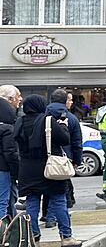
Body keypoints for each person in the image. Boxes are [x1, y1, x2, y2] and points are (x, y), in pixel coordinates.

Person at [14, 95, 81, 246]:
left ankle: (33, 237)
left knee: (32, 203)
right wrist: (63, 125)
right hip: (49, 167)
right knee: (58, 201)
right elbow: (65, 139)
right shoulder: (48, 120)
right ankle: (67, 237)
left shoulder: (20, 122)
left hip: (27, 169)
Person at [43, 89, 83, 228]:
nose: (71, 103)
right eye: (70, 100)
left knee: (47, 188)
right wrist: (77, 160)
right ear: (64, 101)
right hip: (62, 159)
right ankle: (52, 217)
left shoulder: (42, 115)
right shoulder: (70, 118)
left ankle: (47, 215)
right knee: (59, 190)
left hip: (43, 159)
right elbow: (76, 142)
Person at [0, 85, 20, 216]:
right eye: (18, 97)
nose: (20, 99)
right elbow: (10, 152)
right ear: (11, 99)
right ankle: (3, 232)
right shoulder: (9, 126)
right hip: (3, 168)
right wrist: (16, 170)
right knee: (3, 201)